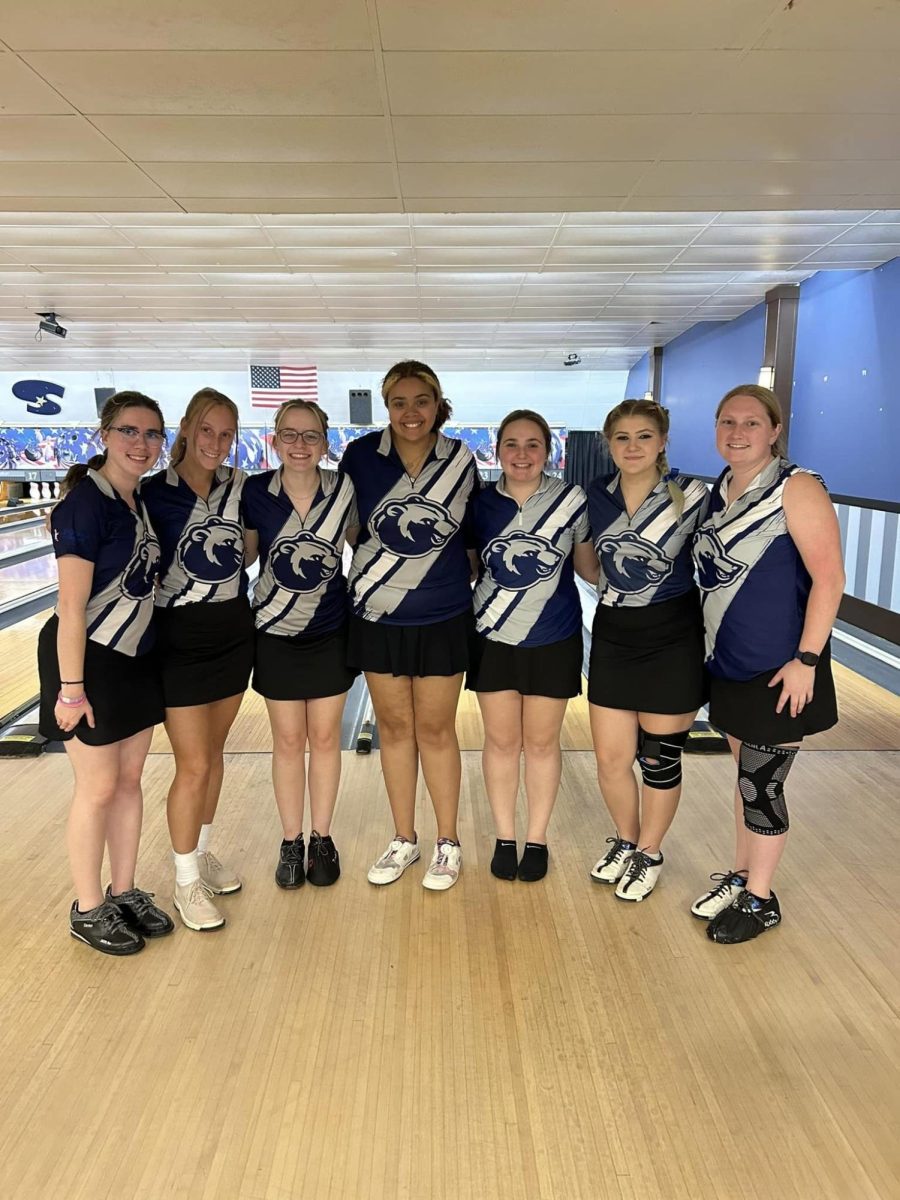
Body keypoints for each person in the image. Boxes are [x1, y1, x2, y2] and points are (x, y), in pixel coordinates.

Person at [691, 385, 843, 944]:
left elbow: (830, 578)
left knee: (761, 784)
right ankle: (741, 874)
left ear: (774, 430)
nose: (737, 432)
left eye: (751, 423)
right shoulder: (720, 490)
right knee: (743, 776)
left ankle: (760, 899)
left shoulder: (796, 487)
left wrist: (807, 659)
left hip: (782, 668)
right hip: (730, 662)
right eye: (726, 421)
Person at [37, 391, 173, 955]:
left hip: (135, 658)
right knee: (95, 788)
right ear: (104, 434)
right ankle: (88, 908)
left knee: (128, 782)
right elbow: (71, 608)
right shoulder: (84, 505)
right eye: (129, 431)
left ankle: (124, 890)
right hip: (86, 661)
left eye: (151, 434)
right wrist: (71, 689)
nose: (140, 444)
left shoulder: (135, 501)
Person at [339, 360, 478, 891]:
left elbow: (466, 532)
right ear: (386, 406)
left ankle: (448, 843)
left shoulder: (459, 458)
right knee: (396, 730)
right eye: (399, 402)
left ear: (437, 403)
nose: (410, 412)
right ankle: (403, 838)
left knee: (437, 731)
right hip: (378, 615)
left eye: (421, 401)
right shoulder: (360, 456)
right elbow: (352, 527)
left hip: (443, 615)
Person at [585, 399, 708, 902]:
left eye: (643, 436)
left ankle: (650, 852)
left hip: (673, 634)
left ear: (663, 441)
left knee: (658, 758)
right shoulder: (597, 494)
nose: (632, 446)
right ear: (609, 444)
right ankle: (627, 840)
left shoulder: (692, 494)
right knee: (612, 758)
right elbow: (590, 564)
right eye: (622, 438)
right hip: (614, 631)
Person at [141, 388, 253, 933]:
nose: (215, 442)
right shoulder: (152, 493)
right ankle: (185, 880)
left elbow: (252, 549)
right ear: (186, 428)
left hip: (233, 630)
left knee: (214, 752)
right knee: (194, 764)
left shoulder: (239, 486)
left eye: (226, 433)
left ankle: (202, 853)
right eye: (206, 430)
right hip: (178, 638)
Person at [466, 409, 594, 882]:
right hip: (492, 636)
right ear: (497, 450)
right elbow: (472, 568)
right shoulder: (479, 504)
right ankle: (504, 836)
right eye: (512, 444)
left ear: (549, 450)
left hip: (553, 635)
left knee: (541, 744)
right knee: (501, 742)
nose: (522, 454)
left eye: (533, 444)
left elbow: (586, 568)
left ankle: (536, 838)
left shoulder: (571, 500)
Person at [242, 400, 358, 890]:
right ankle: (291, 841)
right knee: (289, 741)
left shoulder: (343, 488)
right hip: (275, 632)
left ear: (325, 443)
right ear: (274, 439)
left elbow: (363, 546)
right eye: (289, 434)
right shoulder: (254, 491)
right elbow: (243, 554)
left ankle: (322, 837)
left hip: (330, 629)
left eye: (310, 435)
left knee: (326, 739)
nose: (299, 444)